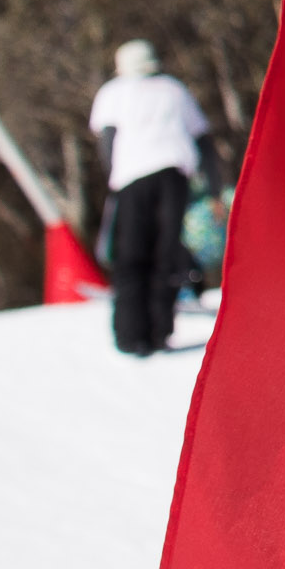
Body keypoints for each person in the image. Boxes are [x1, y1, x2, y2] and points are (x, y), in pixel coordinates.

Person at [87, 40, 214, 358]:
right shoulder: (173, 89)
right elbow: (202, 136)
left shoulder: (112, 92)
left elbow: (107, 139)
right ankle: (160, 331)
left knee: (131, 258)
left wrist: (113, 177)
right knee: (164, 255)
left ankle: (131, 335)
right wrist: (213, 187)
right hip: (174, 175)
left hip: (132, 178)